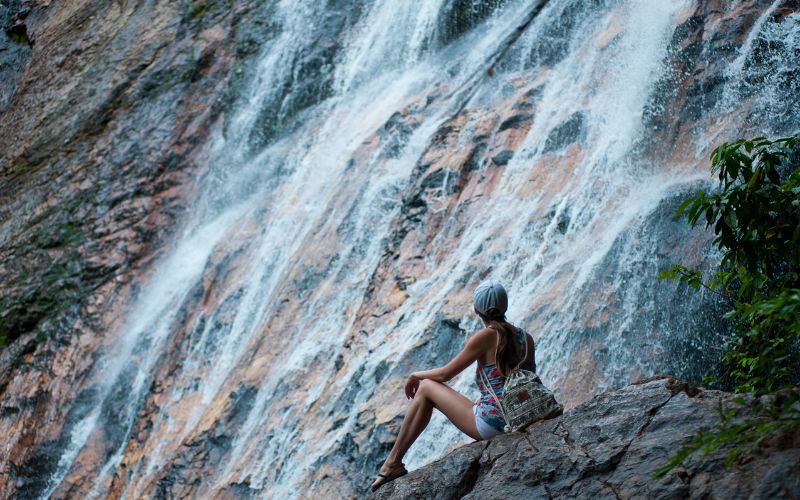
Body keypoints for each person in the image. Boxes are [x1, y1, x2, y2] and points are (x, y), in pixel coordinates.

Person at [370, 280, 535, 492]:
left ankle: (392, 463)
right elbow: (524, 382)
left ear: (477, 310)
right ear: (505, 306)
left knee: (427, 387)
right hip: (523, 416)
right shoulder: (526, 338)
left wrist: (415, 374)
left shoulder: (485, 336)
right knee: (444, 391)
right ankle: (392, 463)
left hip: (495, 424)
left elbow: (445, 374)